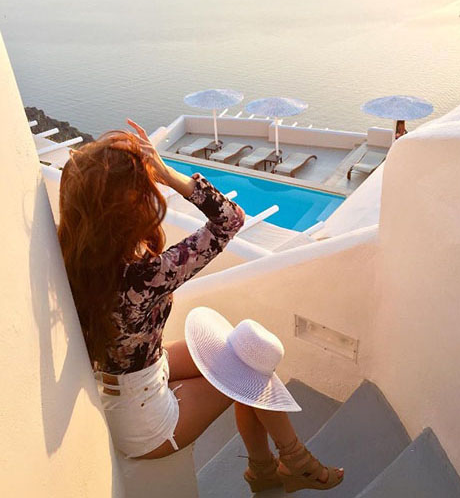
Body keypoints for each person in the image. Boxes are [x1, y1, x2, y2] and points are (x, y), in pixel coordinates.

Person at [58, 118, 344, 493]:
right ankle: (294, 461)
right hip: (146, 423)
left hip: (133, 375)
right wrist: (167, 173)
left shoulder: (75, 256)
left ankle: (269, 469)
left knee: (246, 352)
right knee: (252, 368)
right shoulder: (144, 276)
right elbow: (230, 219)